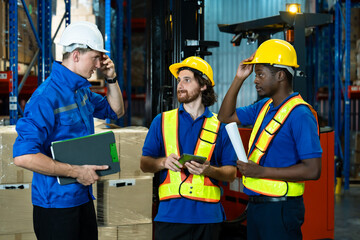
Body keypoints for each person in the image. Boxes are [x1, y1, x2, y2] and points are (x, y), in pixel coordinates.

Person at [13, 21, 124, 240]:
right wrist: (76, 172)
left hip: (82, 198)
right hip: (56, 206)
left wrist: (111, 77)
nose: (98, 64)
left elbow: (116, 111)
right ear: (75, 55)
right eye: (95, 57)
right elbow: (23, 157)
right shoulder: (46, 97)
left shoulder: (81, 91)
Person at [217, 39, 322, 240]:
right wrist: (239, 78)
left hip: (281, 209)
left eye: (260, 75)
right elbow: (225, 117)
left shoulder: (300, 115)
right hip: (257, 207)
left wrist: (261, 171)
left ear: (281, 75)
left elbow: (313, 170)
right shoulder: (263, 106)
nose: (255, 80)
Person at [140, 56, 237, 240]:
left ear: (203, 85)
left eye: (187, 80)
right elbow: (145, 164)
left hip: (208, 219)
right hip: (170, 217)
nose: (180, 86)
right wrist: (163, 162)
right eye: (178, 80)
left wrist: (209, 170)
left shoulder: (221, 126)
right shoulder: (161, 121)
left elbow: (231, 173)